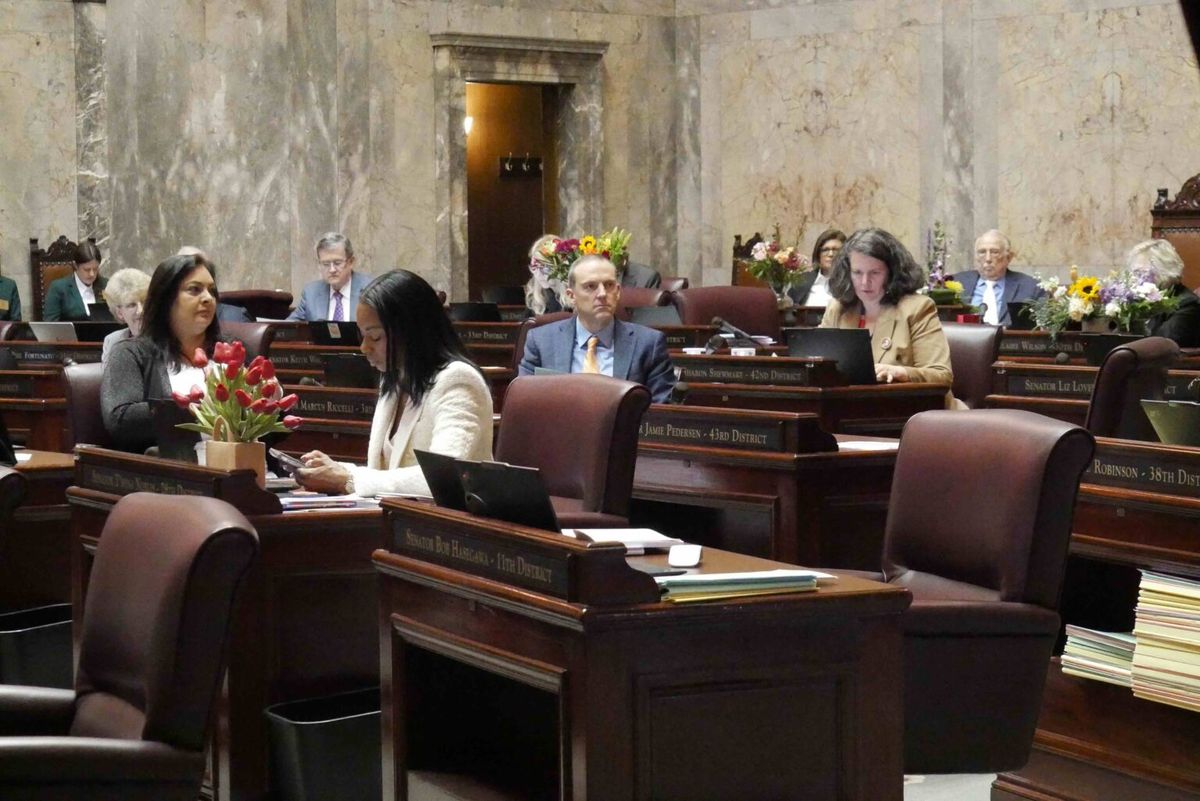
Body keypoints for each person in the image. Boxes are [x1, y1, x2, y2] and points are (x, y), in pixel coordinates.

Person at [294, 269, 493, 497]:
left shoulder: (458, 381)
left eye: (375, 337)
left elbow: (442, 478)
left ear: (411, 331)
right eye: (362, 336)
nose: (364, 348)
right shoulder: (395, 379)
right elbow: (386, 474)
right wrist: (337, 470)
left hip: (448, 518)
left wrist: (348, 478)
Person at [820, 228, 959, 405]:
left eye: (874, 273)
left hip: (912, 411)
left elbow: (941, 375)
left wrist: (903, 373)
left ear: (892, 273)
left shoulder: (917, 308)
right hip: (850, 408)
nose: (865, 282)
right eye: (857, 272)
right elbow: (818, 365)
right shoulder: (838, 309)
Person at [101, 253, 221, 453]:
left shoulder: (231, 351)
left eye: (212, 291)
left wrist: (268, 407)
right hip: (169, 470)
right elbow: (121, 421)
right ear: (166, 299)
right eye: (194, 289)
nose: (208, 298)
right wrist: (191, 409)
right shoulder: (131, 353)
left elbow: (269, 433)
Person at [518, 254, 675, 403]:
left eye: (609, 285)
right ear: (571, 295)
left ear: (618, 292)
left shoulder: (648, 344)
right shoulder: (541, 342)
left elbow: (659, 411)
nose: (602, 294)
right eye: (590, 286)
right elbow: (524, 403)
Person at [950, 229, 1042, 325]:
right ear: (976, 257)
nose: (988, 259)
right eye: (982, 252)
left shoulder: (1031, 287)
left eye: (994, 252)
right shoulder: (955, 283)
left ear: (1009, 257)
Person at [1127, 239, 1200, 347]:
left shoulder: (1188, 305)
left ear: (1163, 271)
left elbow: (1162, 344)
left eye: (1141, 273)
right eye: (1134, 273)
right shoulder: (1140, 300)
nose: (1135, 279)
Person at [287, 232, 370, 321]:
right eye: (326, 264)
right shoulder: (311, 293)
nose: (332, 270)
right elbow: (289, 325)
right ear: (319, 265)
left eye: (337, 263)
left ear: (351, 262)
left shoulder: (370, 290)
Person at [45, 241, 108, 322]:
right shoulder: (58, 288)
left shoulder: (106, 285)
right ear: (75, 266)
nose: (92, 274)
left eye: (95, 269)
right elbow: (50, 324)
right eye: (87, 270)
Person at [100, 268, 150, 362]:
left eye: (144, 302)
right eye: (132, 305)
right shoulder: (112, 341)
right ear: (120, 313)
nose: (140, 310)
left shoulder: (166, 339)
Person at [789, 228, 845, 307]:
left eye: (836, 250)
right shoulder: (801, 281)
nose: (831, 254)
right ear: (818, 254)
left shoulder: (853, 283)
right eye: (825, 250)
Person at [524, 234, 568, 315]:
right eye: (534, 268)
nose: (538, 274)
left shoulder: (575, 297)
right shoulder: (539, 298)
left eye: (544, 268)